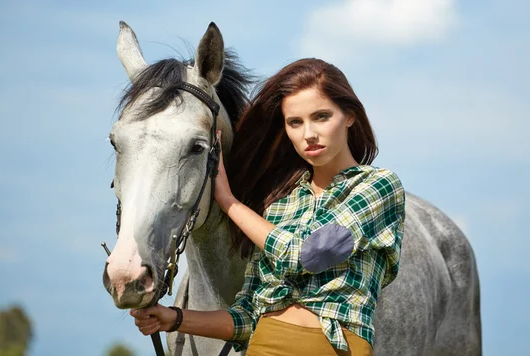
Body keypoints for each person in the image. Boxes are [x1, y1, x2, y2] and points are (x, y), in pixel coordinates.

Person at [130, 58, 406, 355]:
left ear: (349, 115)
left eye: (322, 117)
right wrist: (173, 318)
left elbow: (307, 255)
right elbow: (247, 317)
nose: (308, 134)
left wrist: (229, 202)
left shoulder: (377, 187)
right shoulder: (278, 207)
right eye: (295, 122)